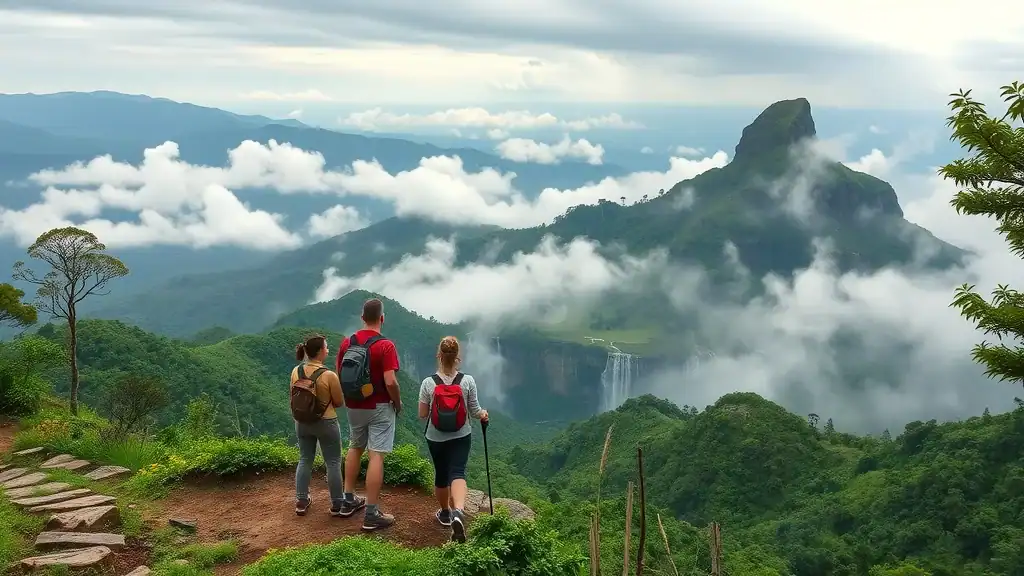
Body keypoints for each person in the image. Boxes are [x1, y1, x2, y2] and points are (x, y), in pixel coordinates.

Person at [335, 297, 402, 531]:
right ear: (382, 318)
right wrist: (397, 402)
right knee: (376, 456)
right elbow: (390, 381)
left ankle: (347, 499)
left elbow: (339, 373)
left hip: (353, 406)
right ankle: (372, 513)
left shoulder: (347, 342)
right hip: (379, 406)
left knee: (355, 447)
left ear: (362, 318)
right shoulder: (386, 346)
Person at [419, 335, 488, 543]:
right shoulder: (467, 381)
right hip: (461, 434)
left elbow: (422, 414)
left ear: (439, 355)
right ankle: (459, 511)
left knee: (441, 474)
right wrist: (483, 414)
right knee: (457, 471)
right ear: (458, 356)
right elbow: (475, 410)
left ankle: (446, 513)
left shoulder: (428, 383)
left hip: (436, 436)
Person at [291, 334, 345, 517]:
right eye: (326, 347)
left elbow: (294, 397)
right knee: (333, 462)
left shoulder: (296, 371)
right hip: (326, 422)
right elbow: (338, 402)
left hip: (302, 422)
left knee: (305, 459)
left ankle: (301, 500)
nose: (328, 350)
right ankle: (337, 503)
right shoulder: (329, 375)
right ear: (321, 351)